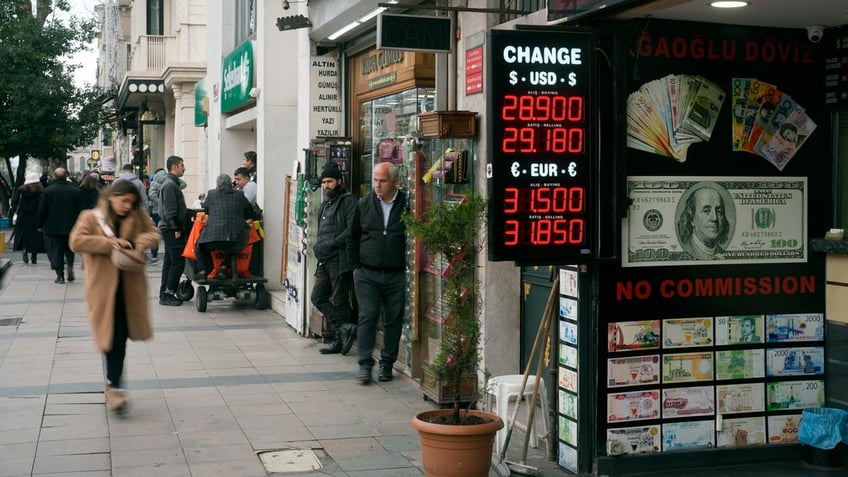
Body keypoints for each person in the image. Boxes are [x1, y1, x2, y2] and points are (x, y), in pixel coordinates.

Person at [69, 179, 161, 412]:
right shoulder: (90, 217)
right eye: (124, 201)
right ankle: (114, 387)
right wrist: (110, 243)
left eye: (131, 202)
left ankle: (113, 384)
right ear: (112, 197)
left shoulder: (137, 215)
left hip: (129, 288)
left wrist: (140, 241)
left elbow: (153, 232)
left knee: (120, 335)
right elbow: (76, 242)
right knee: (113, 337)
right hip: (103, 289)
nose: (128, 206)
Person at [348, 162, 408, 383]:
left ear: (395, 182)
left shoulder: (406, 204)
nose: (377, 185)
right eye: (375, 180)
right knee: (368, 315)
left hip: (396, 273)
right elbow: (352, 237)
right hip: (367, 273)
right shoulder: (364, 204)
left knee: (394, 319)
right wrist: (355, 267)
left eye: (382, 181)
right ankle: (365, 365)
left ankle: (387, 364)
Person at [311, 162, 358, 355]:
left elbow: (352, 230)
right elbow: (322, 231)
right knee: (318, 297)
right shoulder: (325, 204)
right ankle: (344, 328)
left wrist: (332, 243)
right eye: (323, 182)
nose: (326, 185)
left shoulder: (348, 201)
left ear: (339, 181)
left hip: (339, 258)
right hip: (324, 258)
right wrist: (318, 245)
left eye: (329, 181)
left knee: (340, 300)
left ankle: (340, 339)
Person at [195, 174, 253, 279]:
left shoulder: (211, 194)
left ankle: (202, 271)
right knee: (233, 248)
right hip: (236, 239)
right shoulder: (239, 195)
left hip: (212, 238)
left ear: (217, 185)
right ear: (231, 183)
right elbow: (249, 211)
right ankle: (224, 268)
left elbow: (206, 209)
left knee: (199, 246)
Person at [37, 167, 81, 284]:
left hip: (53, 226)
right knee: (70, 249)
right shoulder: (75, 190)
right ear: (66, 175)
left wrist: (39, 224)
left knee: (57, 250)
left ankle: (60, 276)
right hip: (71, 225)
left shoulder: (48, 191)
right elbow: (80, 209)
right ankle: (70, 266)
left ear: (55, 177)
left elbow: (42, 210)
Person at [157, 156, 189, 306]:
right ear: (174, 166)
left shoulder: (170, 184)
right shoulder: (170, 185)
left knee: (169, 262)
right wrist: (176, 227)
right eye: (182, 165)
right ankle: (168, 293)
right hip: (171, 229)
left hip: (169, 227)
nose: (184, 168)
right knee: (178, 262)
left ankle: (165, 292)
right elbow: (170, 210)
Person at [676, 183, 731, 260]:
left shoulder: (724, 254)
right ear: (692, 219)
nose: (714, 218)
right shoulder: (687, 250)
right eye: (706, 211)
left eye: (719, 211)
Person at [11, 172, 46, 265]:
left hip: (23, 215)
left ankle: (25, 251)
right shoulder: (40, 191)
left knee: (24, 235)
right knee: (35, 236)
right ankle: (34, 256)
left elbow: (15, 202)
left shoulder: (21, 190)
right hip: (36, 216)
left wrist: (16, 212)